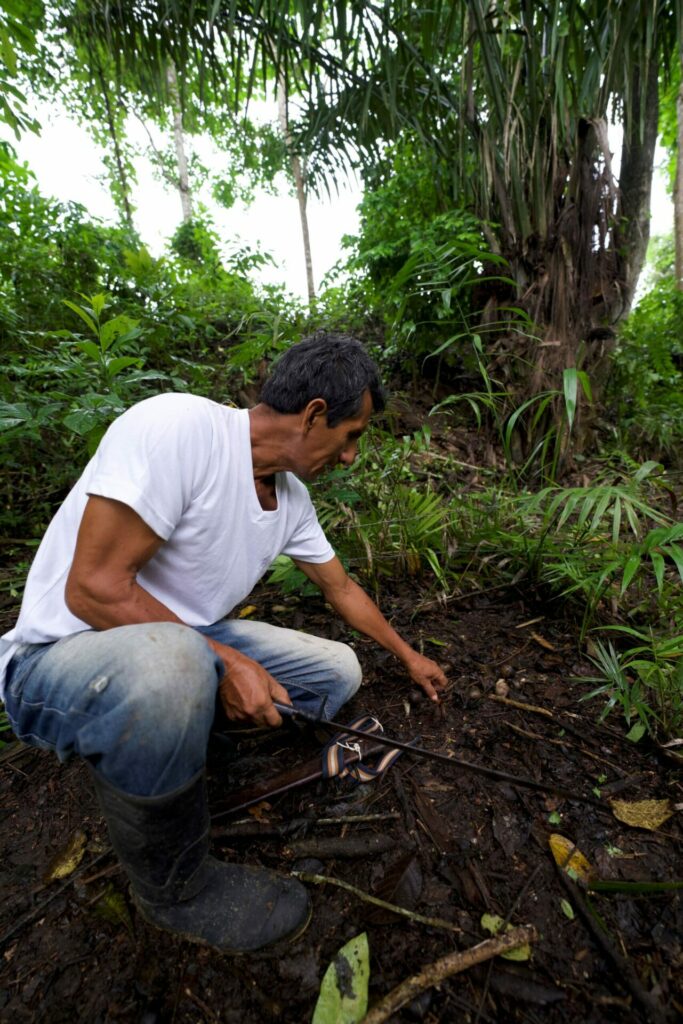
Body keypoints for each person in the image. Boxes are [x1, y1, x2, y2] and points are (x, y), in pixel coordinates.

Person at [0, 331, 446, 952]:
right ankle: (174, 887)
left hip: (178, 644)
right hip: (62, 657)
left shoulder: (290, 500)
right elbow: (94, 590)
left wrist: (408, 655)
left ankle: (170, 734)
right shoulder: (179, 429)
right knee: (177, 662)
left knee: (336, 672)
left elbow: (341, 590)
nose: (350, 458)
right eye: (352, 436)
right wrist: (223, 660)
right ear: (315, 415)